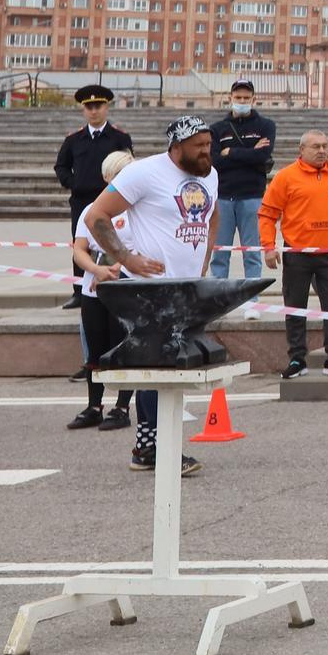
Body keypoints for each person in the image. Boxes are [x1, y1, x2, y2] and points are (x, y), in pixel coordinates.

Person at [80, 116, 220, 476]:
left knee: (173, 366)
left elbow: (212, 213)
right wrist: (127, 258)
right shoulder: (144, 173)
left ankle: (150, 446)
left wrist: (205, 258)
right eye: (199, 146)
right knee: (158, 365)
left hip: (186, 288)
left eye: (209, 144)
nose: (207, 152)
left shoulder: (210, 175)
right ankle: (152, 447)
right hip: (152, 290)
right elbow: (98, 215)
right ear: (176, 147)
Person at [259, 130, 328, 378]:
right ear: (302, 151)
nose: (322, 151)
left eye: (325, 146)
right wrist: (268, 246)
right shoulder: (286, 177)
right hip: (297, 252)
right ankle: (297, 359)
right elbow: (267, 214)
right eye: (316, 147)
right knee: (295, 307)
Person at [54, 86, 132, 308]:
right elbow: (61, 166)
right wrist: (73, 184)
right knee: (82, 245)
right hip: (82, 202)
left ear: (106, 107)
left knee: (114, 241)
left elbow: (128, 165)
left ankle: (114, 284)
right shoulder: (74, 140)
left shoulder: (119, 137)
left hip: (112, 202)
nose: (93, 111)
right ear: (83, 110)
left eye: (98, 106)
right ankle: (79, 290)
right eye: (89, 107)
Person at [67, 185, 132, 432]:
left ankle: (122, 407)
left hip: (125, 284)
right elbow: (79, 249)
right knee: (95, 348)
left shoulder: (134, 211)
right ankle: (94, 406)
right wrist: (96, 270)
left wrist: (114, 268)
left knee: (121, 345)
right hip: (93, 288)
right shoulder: (90, 210)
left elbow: (137, 248)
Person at [207, 79, 277, 281]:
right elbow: (215, 162)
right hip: (223, 197)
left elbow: (262, 157)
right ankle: (218, 298)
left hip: (252, 196)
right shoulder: (217, 129)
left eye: (246, 97)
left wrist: (231, 152)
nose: (242, 101)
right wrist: (249, 152)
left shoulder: (265, 126)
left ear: (254, 99)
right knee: (220, 253)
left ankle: (252, 301)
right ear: (230, 98)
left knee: (252, 252)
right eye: (238, 97)